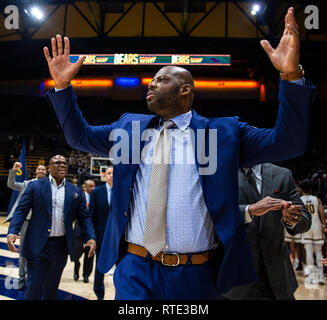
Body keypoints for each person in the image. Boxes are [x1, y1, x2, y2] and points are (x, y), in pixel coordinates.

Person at [43, 8, 316, 299]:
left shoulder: (225, 133)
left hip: (196, 274)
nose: (151, 83)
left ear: (184, 90)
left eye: (162, 80)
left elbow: (288, 143)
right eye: (153, 79)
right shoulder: (129, 129)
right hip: (135, 267)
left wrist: (290, 75)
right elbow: (79, 136)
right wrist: (62, 87)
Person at [6, 155, 96, 300]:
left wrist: (90, 236)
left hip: (60, 247)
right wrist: (12, 232)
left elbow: (84, 217)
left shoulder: (75, 191)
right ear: (49, 167)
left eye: (64, 163)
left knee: (51, 289)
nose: (62, 165)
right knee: (34, 288)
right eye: (58, 162)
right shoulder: (35, 186)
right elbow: (21, 211)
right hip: (37, 244)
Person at [223, 163, 311, 300]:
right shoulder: (221, 174)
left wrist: (291, 219)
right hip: (236, 280)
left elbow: (304, 221)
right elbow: (215, 216)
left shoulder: (283, 174)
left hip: (279, 280)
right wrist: (249, 210)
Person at [6, 162, 47, 289]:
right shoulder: (27, 184)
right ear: (36, 171)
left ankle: (35, 277)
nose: (40, 171)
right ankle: (22, 277)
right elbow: (11, 184)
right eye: (39, 169)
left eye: (43, 169)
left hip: (40, 223)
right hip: (26, 222)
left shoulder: (50, 186)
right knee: (23, 250)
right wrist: (13, 171)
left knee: (39, 251)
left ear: (46, 172)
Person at [89, 166, 113, 300]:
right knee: (100, 265)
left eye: (113, 173)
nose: (110, 176)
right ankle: (99, 293)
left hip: (118, 237)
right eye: (108, 173)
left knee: (121, 266)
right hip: (101, 235)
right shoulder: (96, 192)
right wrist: (92, 236)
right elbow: (91, 216)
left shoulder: (122, 191)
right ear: (105, 175)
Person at [299, 179, 326, 284]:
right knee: (319, 252)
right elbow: (322, 213)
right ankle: (320, 277)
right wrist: (323, 225)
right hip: (317, 227)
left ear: (301, 189)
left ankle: (311, 277)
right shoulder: (317, 199)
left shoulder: (300, 200)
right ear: (311, 188)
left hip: (306, 228)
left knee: (309, 253)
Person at [73, 179, 96, 283]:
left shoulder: (97, 197)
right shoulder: (79, 196)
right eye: (90, 186)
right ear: (85, 187)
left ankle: (86, 275)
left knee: (89, 254)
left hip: (91, 230)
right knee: (76, 252)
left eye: (94, 186)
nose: (92, 188)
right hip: (79, 228)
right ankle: (76, 269)